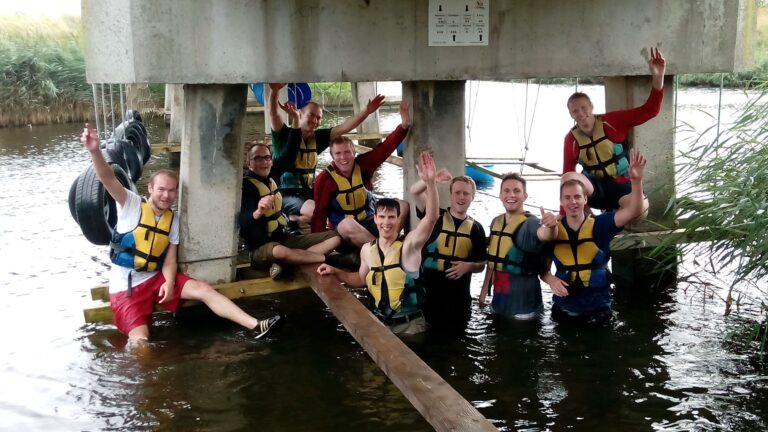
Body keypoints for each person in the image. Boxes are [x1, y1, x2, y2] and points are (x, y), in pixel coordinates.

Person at [80, 124, 281, 343]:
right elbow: (108, 179)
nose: (166, 195)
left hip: (155, 279)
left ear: (176, 194)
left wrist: (168, 282)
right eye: (161, 189)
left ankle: (256, 325)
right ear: (150, 189)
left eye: (171, 191)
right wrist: (95, 151)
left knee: (203, 289)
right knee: (141, 341)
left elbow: (169, 260)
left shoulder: (172, 220)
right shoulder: (130, 204)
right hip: (126, 288)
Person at [316, 152, 440, 336]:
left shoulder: (409, 246)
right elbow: (360, 280)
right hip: (380, 324)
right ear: (375, 219)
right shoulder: (367, 250)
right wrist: (335, 271)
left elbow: (431, 218)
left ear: (398, 219)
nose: (386, 222)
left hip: (410, 327)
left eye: (391, 217)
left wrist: (430, 183)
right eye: (382, 217)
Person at [542, 149, 648, 324]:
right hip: (564, 312)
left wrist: (636, 181)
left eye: (577, 197)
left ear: (585, 199)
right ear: (561, 202)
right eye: (567, 198)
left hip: (599, 312)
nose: (573, 202)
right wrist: (551, 279)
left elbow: (634, 211)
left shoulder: (601, 225)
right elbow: (542, 270)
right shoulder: (553, 230)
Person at [267, 83, 385, 228]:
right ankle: (289, 217)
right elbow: (273, 113)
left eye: (319, 118)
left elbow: (344, 127)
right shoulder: (283, 134)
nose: (315, 121)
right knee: (317, 212)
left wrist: (366, 111)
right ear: (300, 113)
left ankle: (295, 219)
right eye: (311, 115)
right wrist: (274, 91)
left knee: (337, 206)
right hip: (285, 194)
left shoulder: (318, 138)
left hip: (309, 192)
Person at [563, 47, 664, 211]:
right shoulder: (571, 140)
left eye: (584, 108)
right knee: (568, 178)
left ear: (591, 107)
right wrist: (563, 213)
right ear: (570, 114)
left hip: (622, 185)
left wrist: (658, 78)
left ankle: (620, 214)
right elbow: (567, 173)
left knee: (640, 209)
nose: (580, 114)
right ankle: (583, 220)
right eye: (575, 111)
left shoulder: (612, 122)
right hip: (596, 190)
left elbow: (650, 110)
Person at [239, 128, 342, 279]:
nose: (264, 162)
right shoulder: (245, 187)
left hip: (284, 239)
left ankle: (289, 262)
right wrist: (258, 212)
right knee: (280, 251)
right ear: (249, 163)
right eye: (258, 158)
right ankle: (329, 260)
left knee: (335, 237)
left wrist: (295, 124)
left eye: (267, 158)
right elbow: (242, 226)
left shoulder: (272, 174)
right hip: (261, 249)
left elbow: (291, 153)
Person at [311, 101, 411, 247]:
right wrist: (316, 243)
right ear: (332, 157)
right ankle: (383, 249)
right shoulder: (324, 179)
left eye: (347, 152)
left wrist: (403, 126)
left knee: (402, 205)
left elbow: (385, 148)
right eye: (338, 153)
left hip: (369, 221)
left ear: (354, 153)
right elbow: (319, 214)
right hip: (344, 233)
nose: (343, 157)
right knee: (347, 224)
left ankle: (386, 244)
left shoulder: (364, 164)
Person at [410, 172, 487, 329]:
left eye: (466, 193)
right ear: (451, 195)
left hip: (458, 299)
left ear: (473, 197)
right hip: (428, 296)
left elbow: (481, 264)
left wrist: (469, 266)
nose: (461, 197)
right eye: (457, 192)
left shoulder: (477, 229)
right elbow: (415, 192)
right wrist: (432, 180)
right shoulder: (433, 217)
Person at [478, 173, 558, 320]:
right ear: (500, 195)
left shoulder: (531, 224)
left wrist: (552, 227)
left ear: (525, 196)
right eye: (506, 191)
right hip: (498, 304)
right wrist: (483, 291)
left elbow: (546, 235)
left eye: (517, 191)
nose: (511, 195)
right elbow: (493, 260)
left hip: (524, 310)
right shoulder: (496, 221)